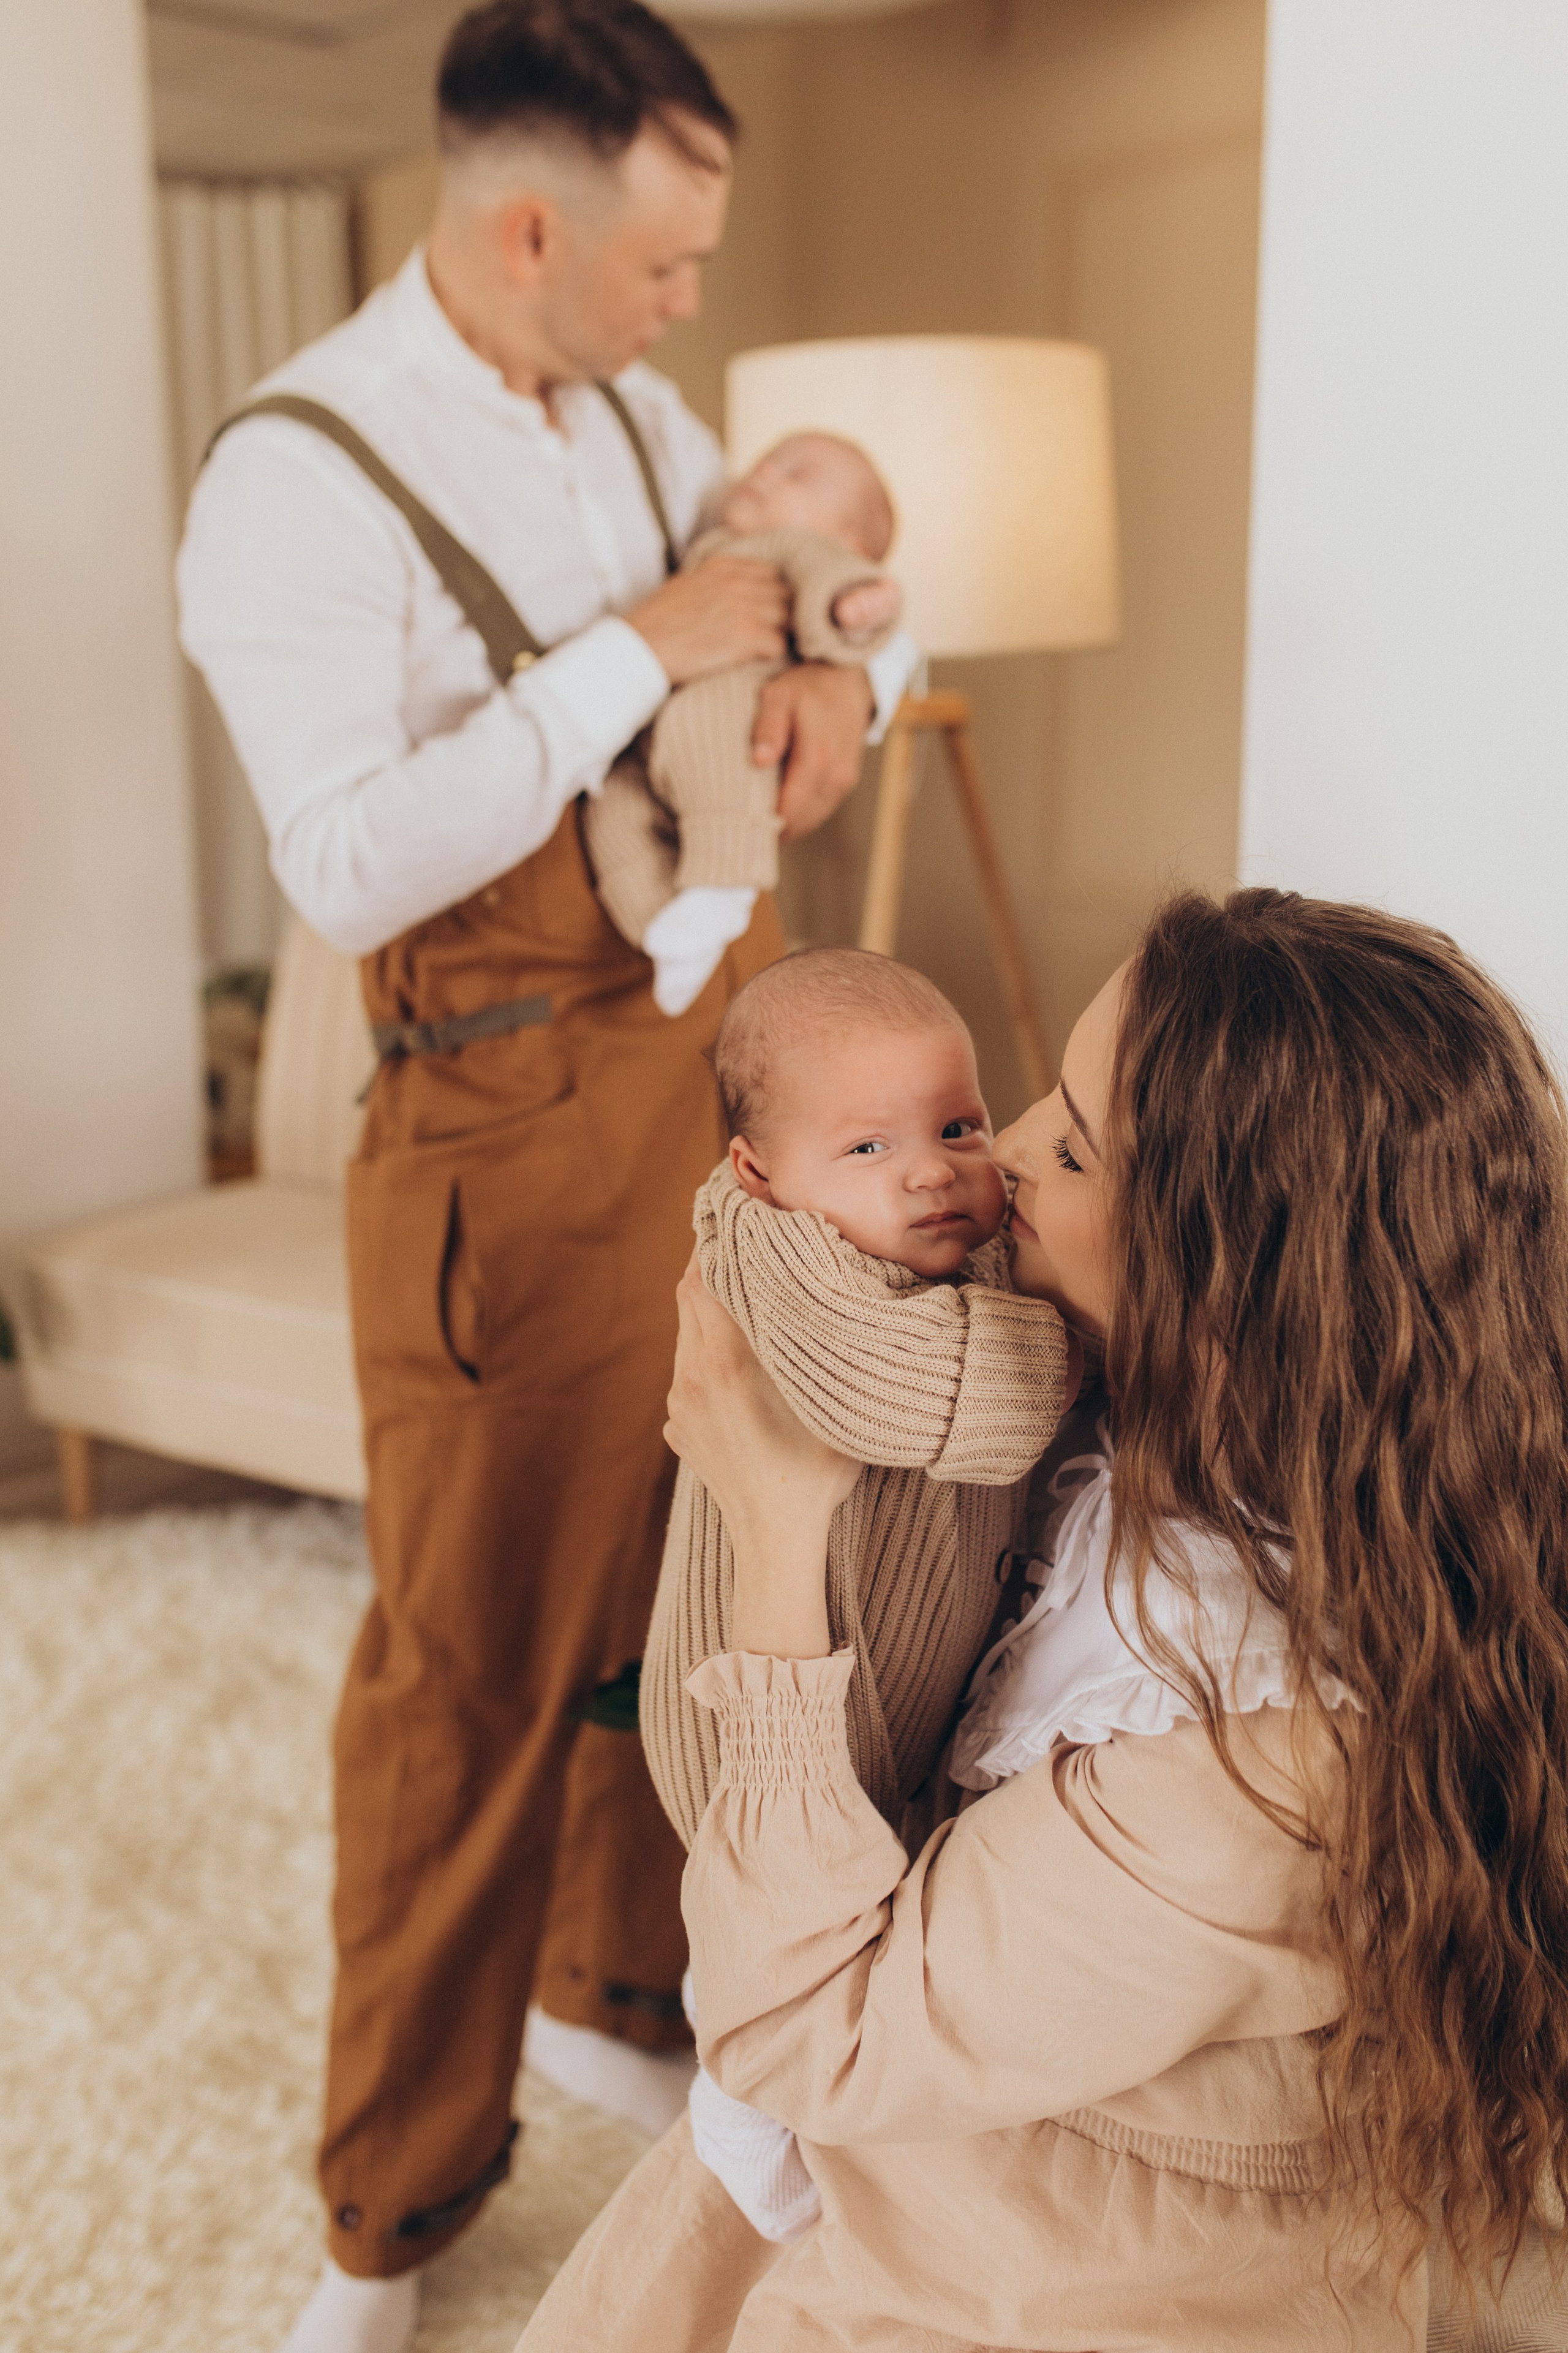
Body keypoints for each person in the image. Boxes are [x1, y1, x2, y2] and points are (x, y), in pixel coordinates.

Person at [175, 4, 916, 2348]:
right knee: (466, 1671)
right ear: (527, 229)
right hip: (499, 1124)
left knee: (703, 1582)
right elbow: (348, 862)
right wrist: (629, 656)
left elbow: (815, 596)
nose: (689, 308)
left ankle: (615, 1990)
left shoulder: (643, 419)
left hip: (725, 1076)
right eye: (665, 265)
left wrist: (834, 697)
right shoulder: (294, 479)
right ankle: (387, 2217)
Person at [521, 888, 1568, 2351]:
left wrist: (773, 1522)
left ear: (1215, 1280)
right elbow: (777, 1222)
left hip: (1044, 2262)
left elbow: (801, 2032)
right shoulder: (1246, 1412)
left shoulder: (1242, 1762)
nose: (1000, 1150)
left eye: (1069, 1146)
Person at [635, 948, 1070, 2238]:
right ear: (757, 1170)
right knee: (767, 1904)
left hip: (895, 1682)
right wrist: (1074, 1348)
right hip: (743, 1703)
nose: (931, 1172)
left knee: (874, 1911)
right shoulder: (769, 1251)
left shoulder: (956, 1256)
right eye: (869, 1147)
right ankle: (734, 2076)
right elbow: (907, 1394)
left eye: (958, 1127)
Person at [584, 438, 902, 1012]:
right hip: (647, 736)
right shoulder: (709, 546)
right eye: (766, 461)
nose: (766, 472)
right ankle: (665, 931)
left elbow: (827, 573)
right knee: (611, 811)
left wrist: (850, 605)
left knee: (704, 733)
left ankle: (723, 882)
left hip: (734, 710)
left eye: (798, 475)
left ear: (849, 542)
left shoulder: (786, 548)